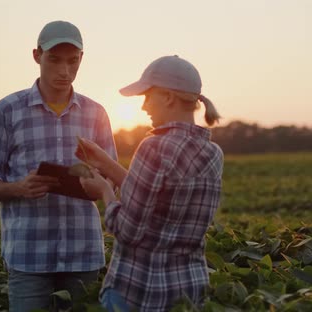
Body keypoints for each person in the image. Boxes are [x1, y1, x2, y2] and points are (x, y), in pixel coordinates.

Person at [0, 20, 117, 311]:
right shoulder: (7, 110)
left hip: (83, 254)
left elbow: (112, 177)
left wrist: (97, 186)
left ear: (81, 59)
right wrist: (19, 188)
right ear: (37, 56)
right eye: (55, 60)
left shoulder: (96, 113)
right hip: (28, 257)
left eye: (72, 61)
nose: (65, 71)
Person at [76, 55, 223, 311]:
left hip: (138, 292)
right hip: (188, 292)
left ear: (167, 97)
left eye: (147, 96)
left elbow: (127, 230)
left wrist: (104, 191)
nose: (144, 107)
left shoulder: (153, 147)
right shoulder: (213, 153)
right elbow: (161, 199)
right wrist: (106, 163)